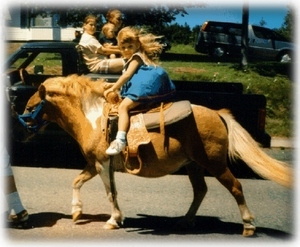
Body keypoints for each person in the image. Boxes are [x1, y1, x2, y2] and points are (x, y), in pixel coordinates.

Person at [104, 26, 176, 155]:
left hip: (147, 82)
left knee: (123, 107)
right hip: (142, 81)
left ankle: (120, 140)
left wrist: (113, 88)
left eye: (130, 46)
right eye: (123, 47)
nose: (126, 50)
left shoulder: (137, 57)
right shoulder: (133, 56)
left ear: (137, 44)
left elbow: (127, 76)